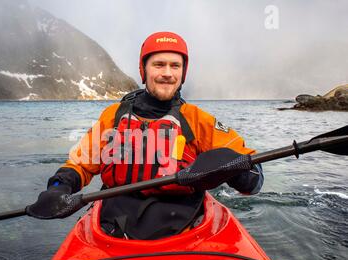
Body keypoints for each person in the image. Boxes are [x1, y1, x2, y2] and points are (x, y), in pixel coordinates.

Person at [27, 31, 263, 240]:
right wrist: (58, 187)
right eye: (159, 64)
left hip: (185, 227)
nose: (167, 73)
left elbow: (254, 180)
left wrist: (232, 168)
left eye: (175, 66)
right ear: (144, 69)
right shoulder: (114, 116)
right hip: (113, 228)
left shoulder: (197, 119)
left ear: (183, 73)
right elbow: (80, 164)